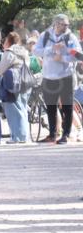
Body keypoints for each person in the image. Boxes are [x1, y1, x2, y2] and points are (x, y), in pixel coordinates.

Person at [34, 14, 81, 144]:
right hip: (48, 76)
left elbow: (78, 54)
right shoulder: (45, 36)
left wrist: (64, 58)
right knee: (50, 107)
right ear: (56, 24)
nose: (66, 27)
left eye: (67, 25)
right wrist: (51, 49)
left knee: (67, 106)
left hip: (65, 76)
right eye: (64, 24)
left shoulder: (70, 37)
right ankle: (52, 134)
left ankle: (66, 134)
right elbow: (36, 51)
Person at [0, 32, 30, 144]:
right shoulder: (24, 52)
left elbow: (0, 70)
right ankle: (23, 136)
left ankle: (17, 137)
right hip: (24, 82)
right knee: (22, 108)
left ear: (8, 41)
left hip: (11, 83)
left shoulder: (9, 52)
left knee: (12, 110)